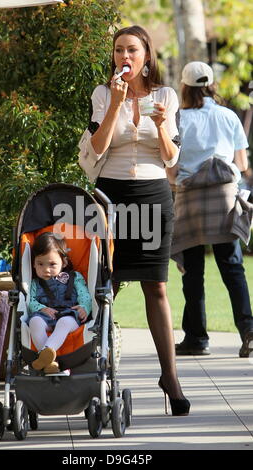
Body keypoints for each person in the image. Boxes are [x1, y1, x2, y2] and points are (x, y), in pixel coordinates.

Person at [82, 25, 190, 415]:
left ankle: (171, 377)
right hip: (109, 198)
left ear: (146, 57)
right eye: (117, 50)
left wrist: (161, 124)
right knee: (102, 286)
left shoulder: (166, 95)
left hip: (152, 194)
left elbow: (170, 158)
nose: (123, 57)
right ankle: (92, 372)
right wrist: (114, 104)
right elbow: (97, 148)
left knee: (156, 287)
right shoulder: (101, 93)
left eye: (131, 50)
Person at [168, 61, 253, 358]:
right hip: (224, 197)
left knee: (192, 272)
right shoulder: (229, 116)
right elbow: (242, 164)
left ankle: (196, 338)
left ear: (185, 87)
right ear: (212, 84)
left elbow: (172, 168)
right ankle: (249, 332)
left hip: (190, 198)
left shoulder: (178, 119)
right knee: (232, 268)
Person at [28, 232, 92, 374]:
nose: (46, 269)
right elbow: (31, 300)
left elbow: (84, 295)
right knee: (35, 322)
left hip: (70, 313)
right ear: (33, 263)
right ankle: (51, 363)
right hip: (46, 314)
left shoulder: (74, 277)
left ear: (64, 262)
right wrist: (42, 308)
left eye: (52, 264)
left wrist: (84, 308)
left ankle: (44, 354)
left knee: (64, 322)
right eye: (40, 264)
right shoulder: (34, 283)